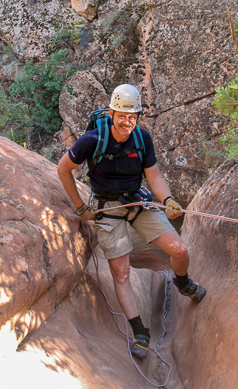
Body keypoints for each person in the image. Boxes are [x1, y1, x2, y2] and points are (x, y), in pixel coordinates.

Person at [57, 84, 206, 360]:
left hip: (138, 201)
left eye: (133, 116)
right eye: (122, 116)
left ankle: (183, 283)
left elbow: (155, 177)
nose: (127, 122)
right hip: (107, 207)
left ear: (137, 116)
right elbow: (63, 169)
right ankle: (140, 331)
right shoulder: (92, 139)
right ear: (112, 112)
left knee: (179, 250)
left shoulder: (142, 139)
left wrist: (169, 199)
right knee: (122, 273)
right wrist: (80, 208)